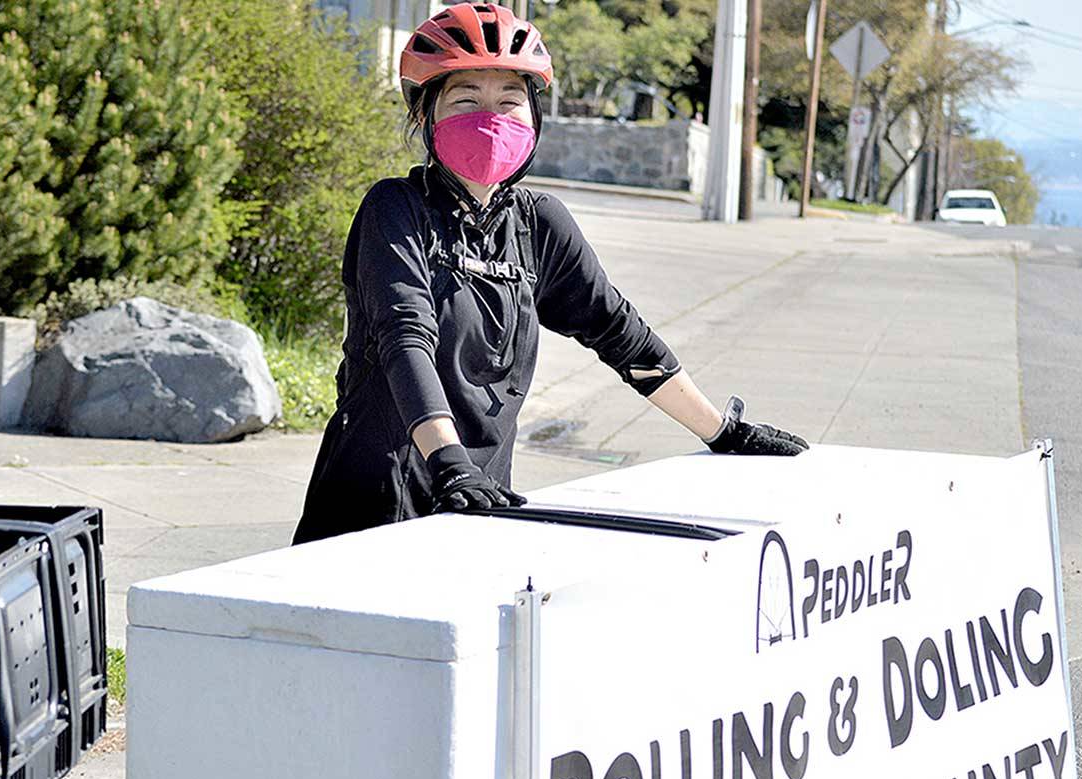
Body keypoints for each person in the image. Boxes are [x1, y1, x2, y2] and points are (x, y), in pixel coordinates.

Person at [292, 2, 806, 544]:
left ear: (534, 117)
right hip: (371, 506)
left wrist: (724, 432)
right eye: (466, 100)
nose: (490, 118)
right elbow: (404, 339)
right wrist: (449, 461)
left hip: (478, 507)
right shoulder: (394, 208)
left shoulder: (538, 225)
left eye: (509, 101)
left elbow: (624, 338)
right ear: (425, 116)